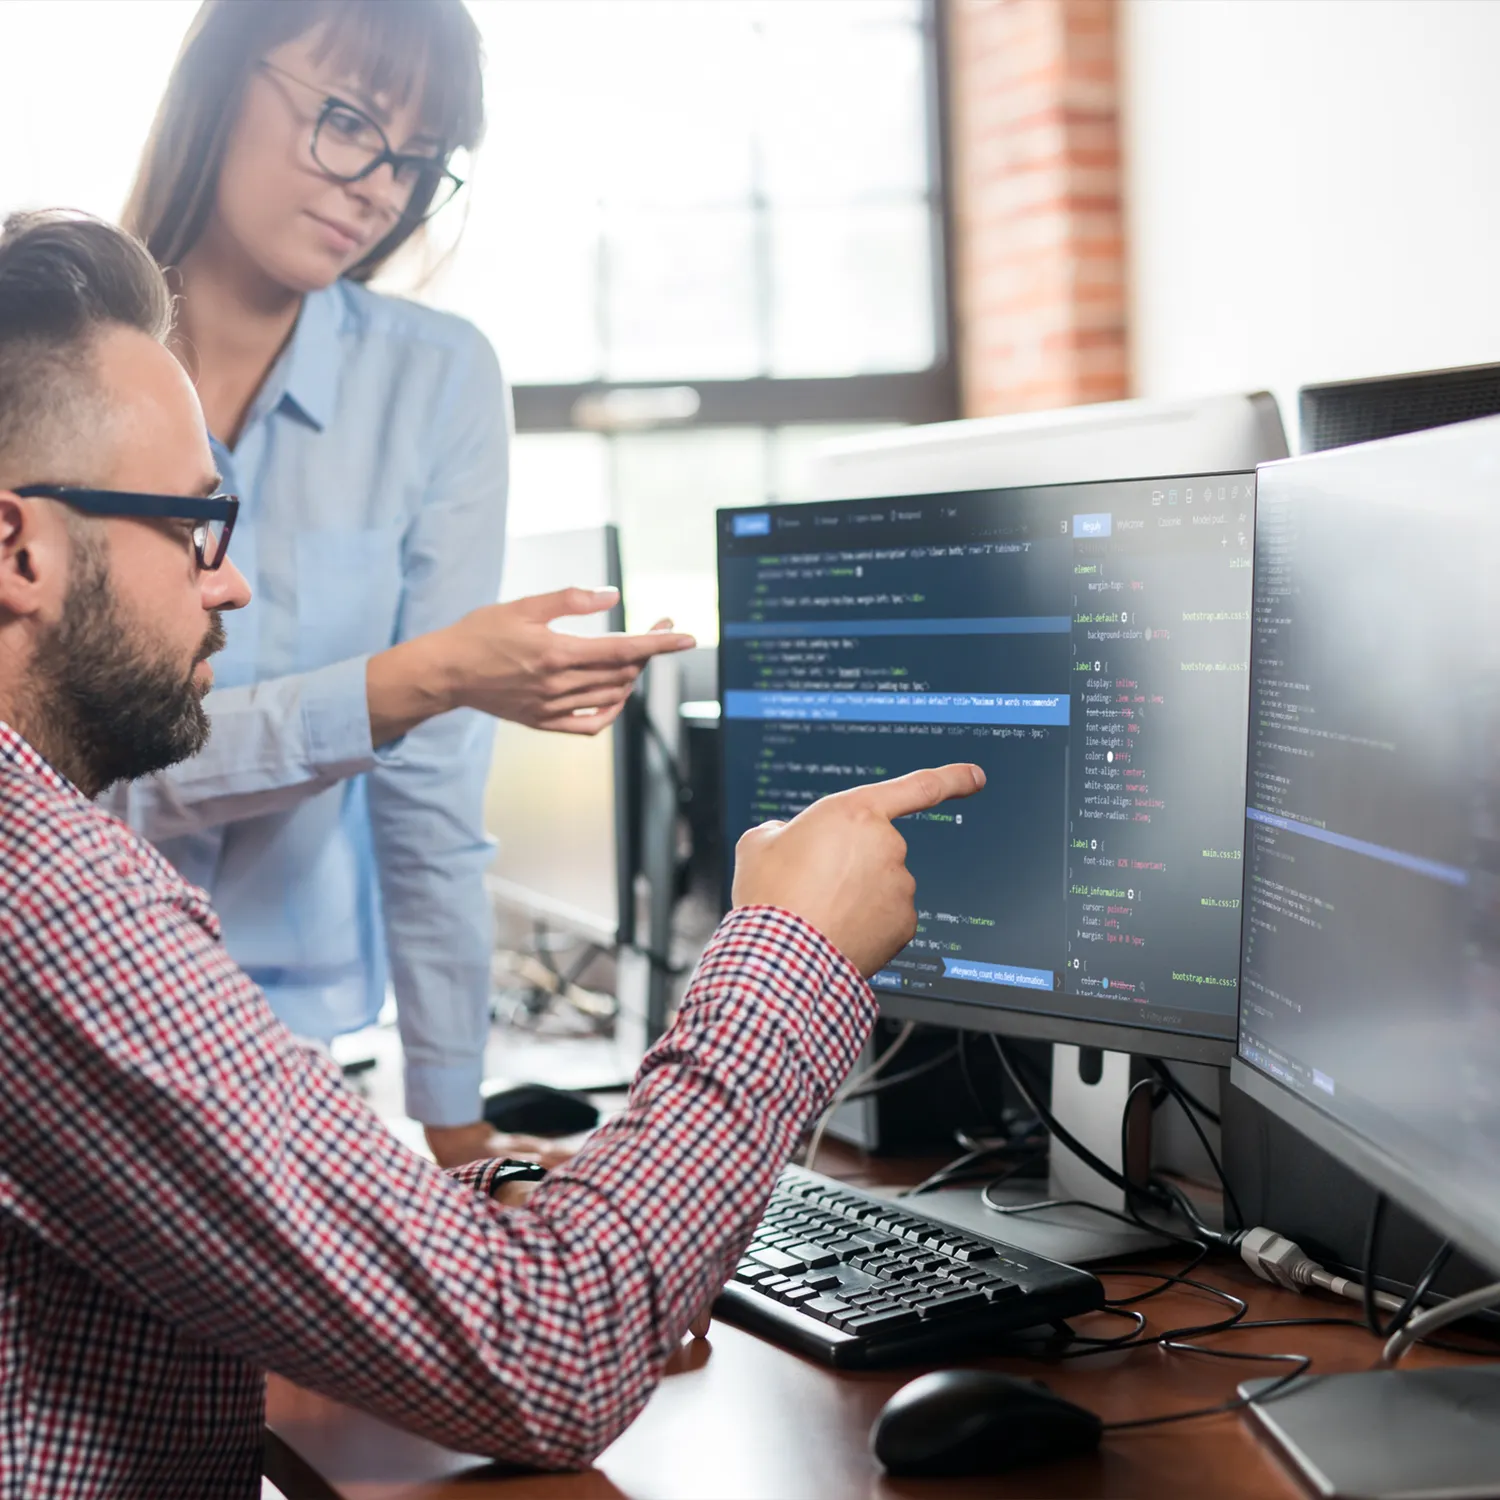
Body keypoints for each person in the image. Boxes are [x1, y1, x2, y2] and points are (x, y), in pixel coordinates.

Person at [0, 211, 984, 1497]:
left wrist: (465, 1216)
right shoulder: (49, 894)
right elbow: (548, 1353)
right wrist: (791, 950)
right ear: (16, 549)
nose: (229, 586)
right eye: (194, 526)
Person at [107, 0, 693, 1168]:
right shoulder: (61, 359)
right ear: (220, 80)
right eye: (348, 122)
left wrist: (459, 1130)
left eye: (420, 160)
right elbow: (66, 780)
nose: (381, 186)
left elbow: (431, 794)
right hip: (67, 1011)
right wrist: (415, 679)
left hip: (286, 1051)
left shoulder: (437, 382)